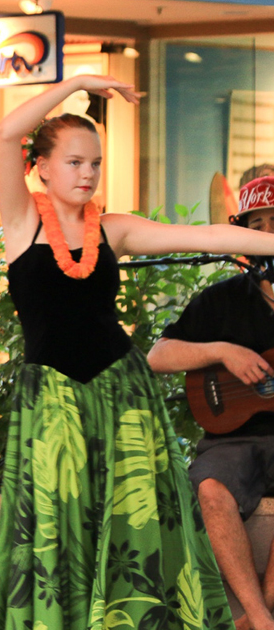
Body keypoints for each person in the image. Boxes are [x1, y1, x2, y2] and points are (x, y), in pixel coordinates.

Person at [0, 74, 274, 630]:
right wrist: (78, 83)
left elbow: (211, 237)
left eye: (94, 163)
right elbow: (4, 133)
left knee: (133, 529)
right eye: (73, 162)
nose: (87, 173)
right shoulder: (22, 226)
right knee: (58, 527)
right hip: (53, 402)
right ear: (42, 166)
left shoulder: (112, 230)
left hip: (123, 396)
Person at [148, 175, 274, 630]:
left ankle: (261, 608)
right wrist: (222, 351)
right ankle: (261, 619)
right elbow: (158, 356)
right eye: (255, 227)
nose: (266, 237)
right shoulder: (220, 301)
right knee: (208, 490)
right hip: (232, 439)